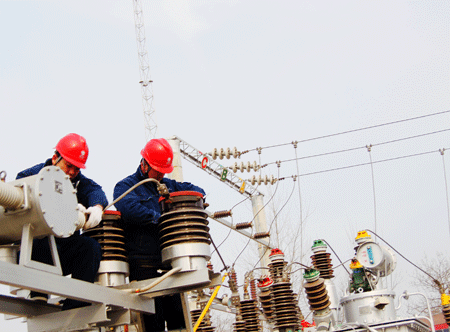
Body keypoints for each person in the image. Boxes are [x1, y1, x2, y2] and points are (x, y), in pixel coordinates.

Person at [113, 138, 206, 332]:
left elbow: (197, 191)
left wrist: (189, 201)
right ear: (144, 164)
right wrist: (162, 218)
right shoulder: (126, 187)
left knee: (178, 320)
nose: (161, 174)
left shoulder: (168, 185)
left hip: (169, 262)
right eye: (157, 169)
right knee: (153, 322)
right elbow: (129, 209)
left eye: (164, 170)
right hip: (144, 265)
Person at [16, 133, 108, 310]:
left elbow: (95, 190)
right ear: (55, 158)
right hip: (36, 250)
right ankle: (39, 293)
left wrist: (97, 206)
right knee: (41, 237)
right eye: (68, 166)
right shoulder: (32, 175)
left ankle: (77, 303)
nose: (72, 172)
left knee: (91, 248)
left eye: (77, 168)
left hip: (63, 250)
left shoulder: (78, 182)